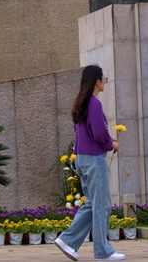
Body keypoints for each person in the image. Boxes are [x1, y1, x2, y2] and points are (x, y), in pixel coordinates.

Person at [54, 65, 124, 262]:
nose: (105, 81)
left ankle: (67, 240)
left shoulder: (81, 103)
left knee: (93, 204)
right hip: (94, 159)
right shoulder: (94, 104)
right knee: (102, 205)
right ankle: (102, 251)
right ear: (97, 82)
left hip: (82, 159)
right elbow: (99, 133)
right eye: (104, 78)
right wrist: (112, 143)